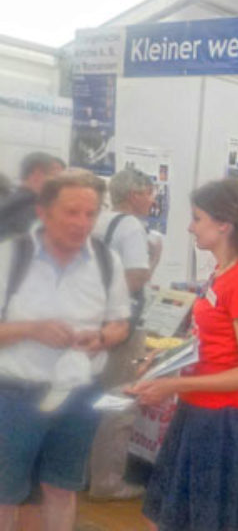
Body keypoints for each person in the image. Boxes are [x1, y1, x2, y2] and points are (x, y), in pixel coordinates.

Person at [129, 179, 238, 531]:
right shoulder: (222, 273)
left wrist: (170, 386)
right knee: (167, 517)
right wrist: (166, 365)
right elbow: (210, 342)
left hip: (219, 419)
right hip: (199, 409)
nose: (189, 227)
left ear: (223, 224)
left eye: (197, 218)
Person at [0, 169, 130, 531]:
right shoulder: (10, 257)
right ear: (43, 212)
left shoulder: (107, 261)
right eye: (71, 212)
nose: (82, 223)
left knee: (62, 486)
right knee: (4, 494)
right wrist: (31, 329)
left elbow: (120, 322)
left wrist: (103, 338)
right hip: (13, 396)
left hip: (78, 394)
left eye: (90, 214)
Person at [89, 167, 161, 499]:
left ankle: (87, 472)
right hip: (121, 328)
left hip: (92, 323)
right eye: (149, 192)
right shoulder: (131, 227)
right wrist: (153, 258)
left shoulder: (100, 220)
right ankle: (107, 480)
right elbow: (135, 277)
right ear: (135, 194)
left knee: (92, 398)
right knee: (119, 400)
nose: (152, 199)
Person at [0, 152, 65, 240]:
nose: (58, 183)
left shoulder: (9, 201)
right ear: (37, 174)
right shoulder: (34, 212)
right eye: (54, 175)